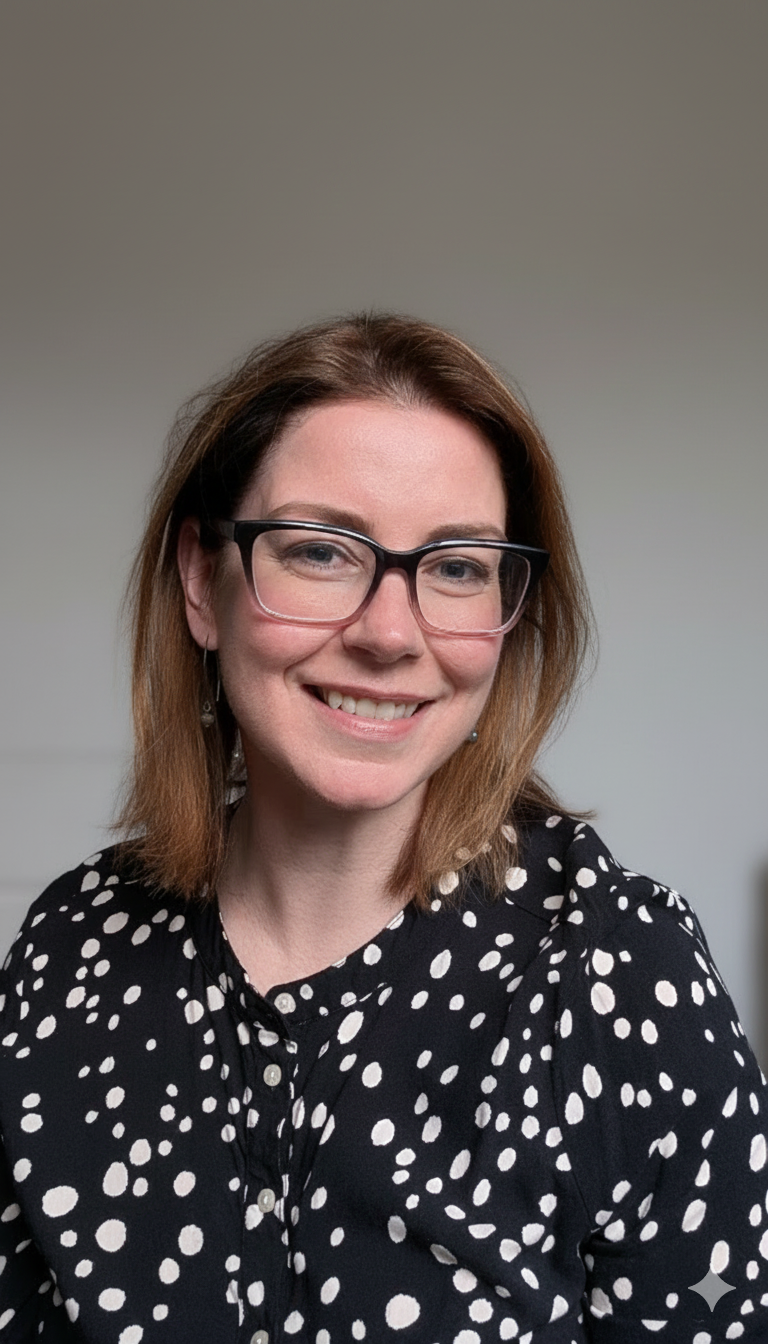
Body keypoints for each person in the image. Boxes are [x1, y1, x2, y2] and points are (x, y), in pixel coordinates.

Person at [1, 313, 766, 1343]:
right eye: (320, 550)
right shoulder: (70, 952)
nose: (390, 634)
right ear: (201, 580)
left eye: (457, 567)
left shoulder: (622, 972)